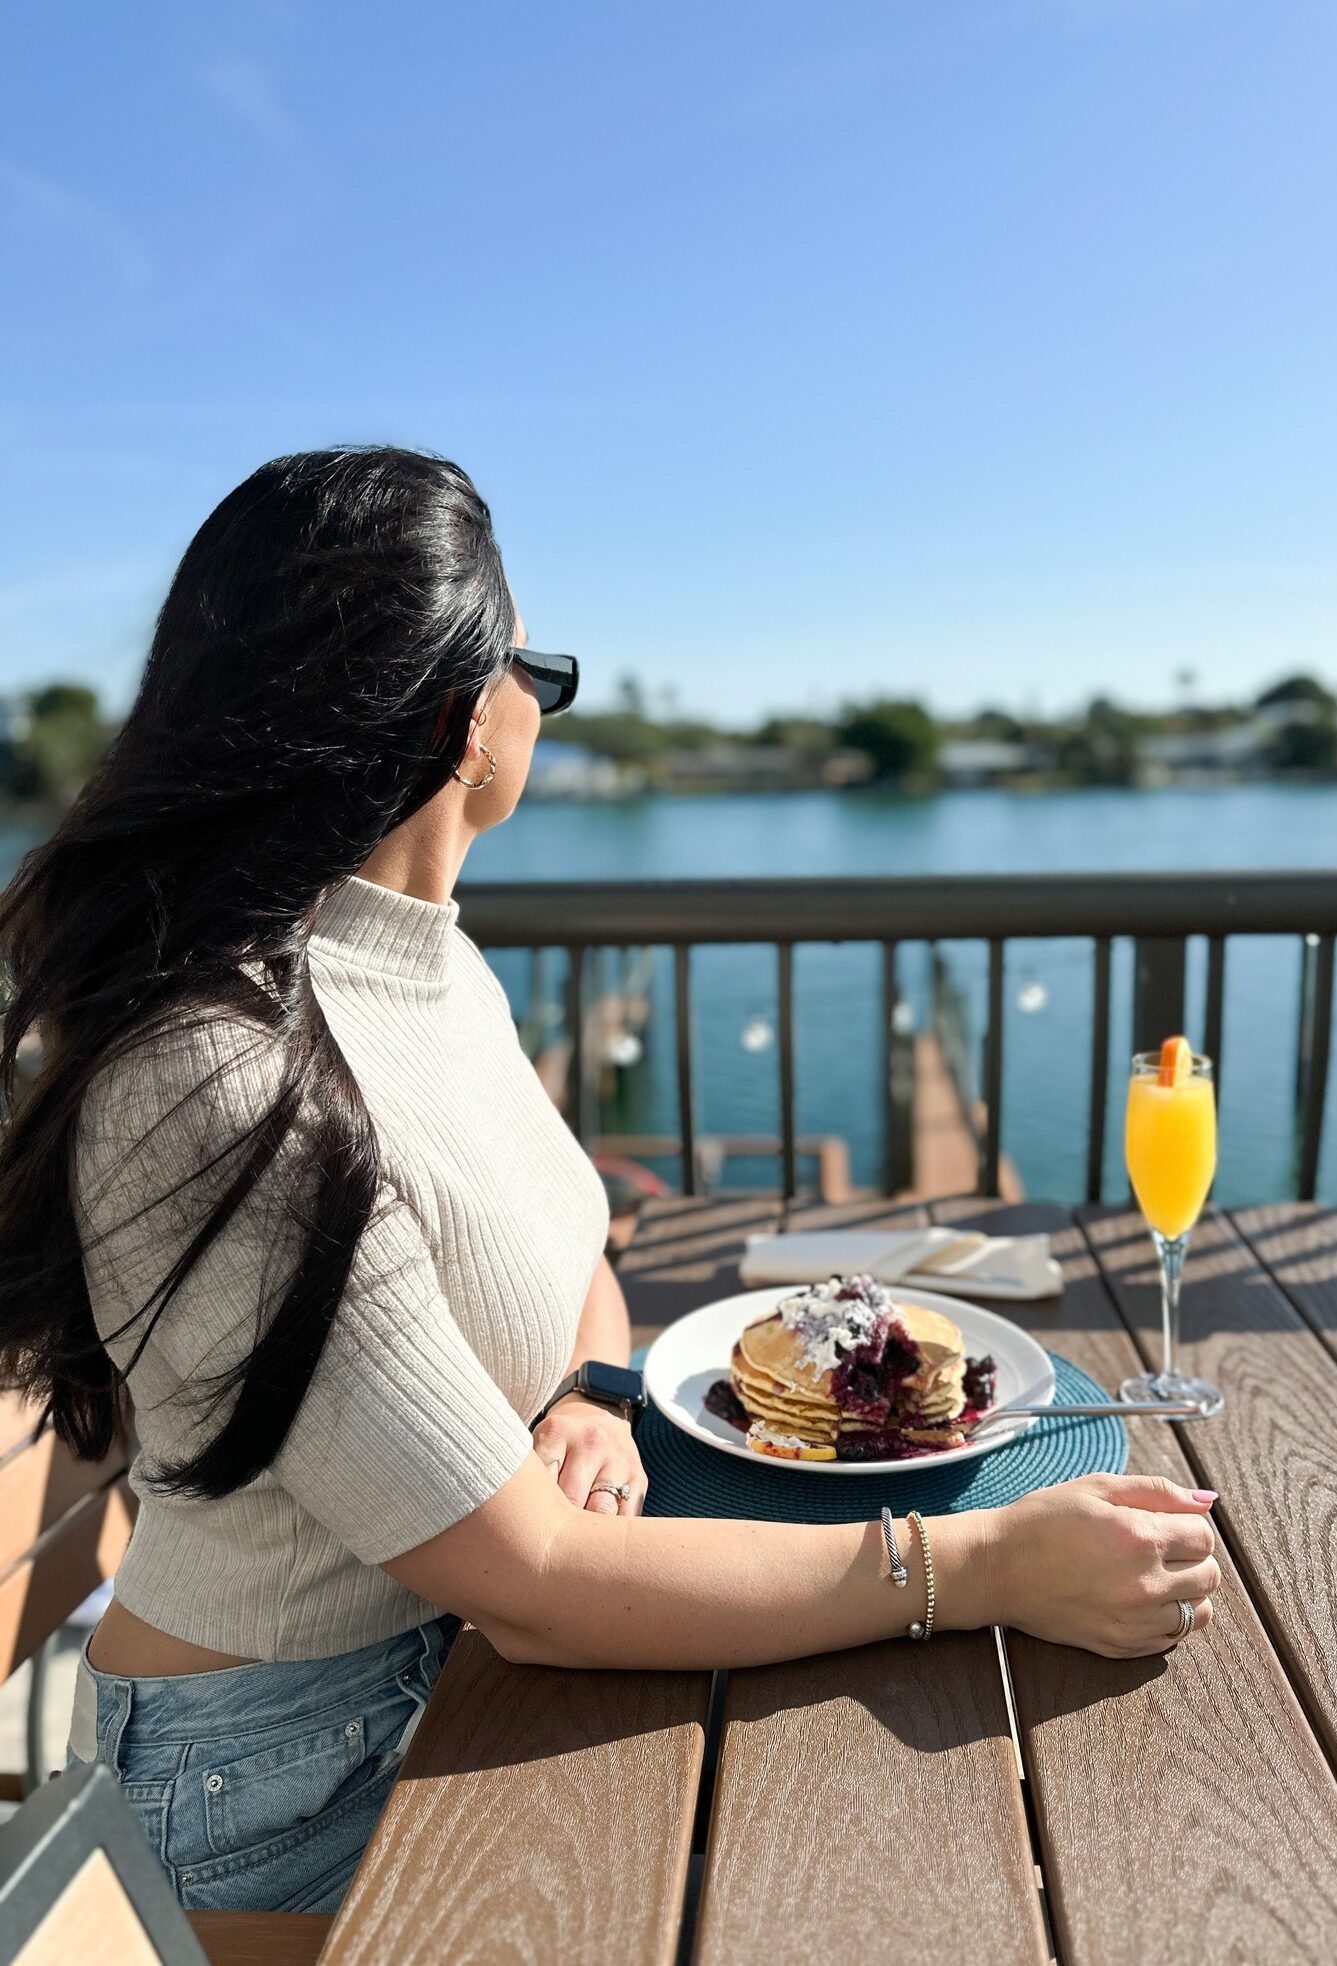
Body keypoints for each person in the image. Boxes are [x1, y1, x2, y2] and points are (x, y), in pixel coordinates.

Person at [0, 447, 1220, 1915]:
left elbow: (579, 1241)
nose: (539, 707)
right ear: (465, 722)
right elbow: (530, 1581)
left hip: (482, 1650)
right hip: (292, 1756)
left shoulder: (425, 960)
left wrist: (592, 1390)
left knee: (922, 1845)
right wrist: (983, 1565)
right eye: (539, 672)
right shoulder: (223, 1076)